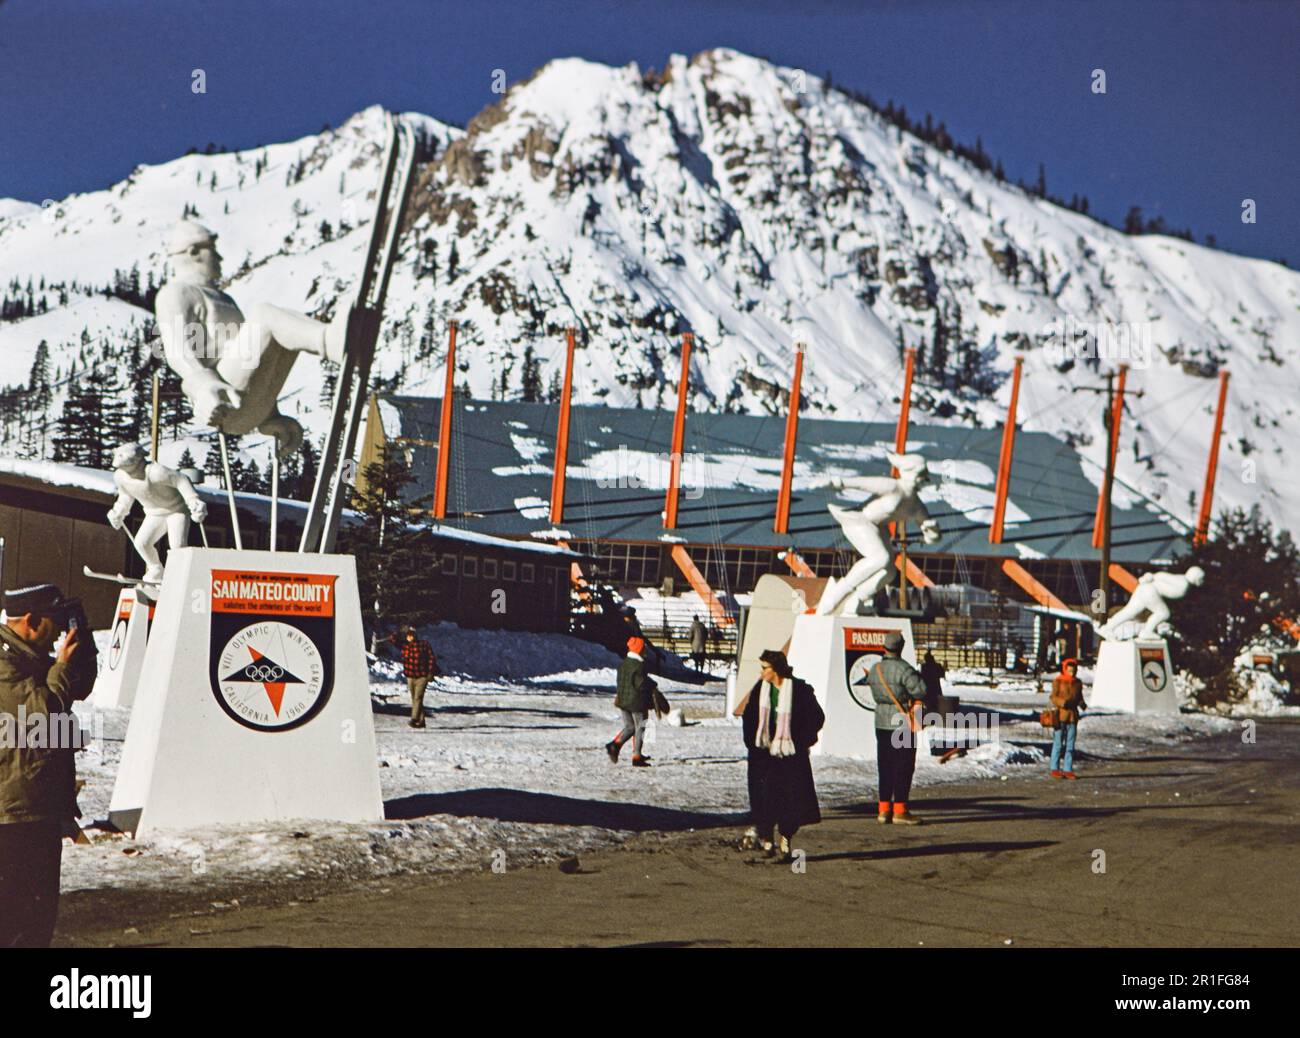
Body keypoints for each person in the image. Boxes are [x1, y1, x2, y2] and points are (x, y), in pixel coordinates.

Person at [0, 584, 96, 947]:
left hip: (37, 807)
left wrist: (82, 646)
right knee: (16, 920)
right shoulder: (5, 664)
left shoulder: (30, 656)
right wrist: (60, 668)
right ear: (31, 620)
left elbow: (79, 687)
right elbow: (44, 716)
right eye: (54, 621)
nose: (57, 630)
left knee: (38, 918)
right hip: (12, 815)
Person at [737, 649, 824, 861]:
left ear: (776, 669)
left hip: (790, 756)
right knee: (763, 798)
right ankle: (767, 841)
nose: (762, 672)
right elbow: (749, 716)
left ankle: (786, 839)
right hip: (763, 755)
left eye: (765, 668)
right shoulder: (761, 689)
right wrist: (753, 742)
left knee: (790, 799)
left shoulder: (800, 690)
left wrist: (801, 741)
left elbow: (816, 717)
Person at [866, 631, 928, 825]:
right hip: (902, 723)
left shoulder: (875, 669)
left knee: (884, 766)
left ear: (884, 647)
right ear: (900, 647)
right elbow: (922, 690)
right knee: (903, 766)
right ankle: (900, 810)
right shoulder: (905, 669)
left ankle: (883, 809)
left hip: (880, 722)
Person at [606, 636, 654, 767]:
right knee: (640, 727)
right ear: (639, 650)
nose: (645, 651)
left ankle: (614, 745)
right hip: (636, 702)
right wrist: (651, 686)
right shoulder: (639, 666)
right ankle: (637, 756)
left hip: (623, 701)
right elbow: (641, 685)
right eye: (644, 648)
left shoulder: (623, 664)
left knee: (630, 727)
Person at [388, 627, 438, 729]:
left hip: (422, 676)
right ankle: (421, 721)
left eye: (411, 635)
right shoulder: (405, 646)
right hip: (410, 676)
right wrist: (398, 632)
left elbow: (431, 658)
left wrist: (430, 672)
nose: (409, 637)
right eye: (408, 636)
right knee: (415, 699)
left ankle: (414, 718)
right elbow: (393, 641)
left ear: (415, 636)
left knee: (417, 698)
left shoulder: (423, 644)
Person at [1048, 658, 1086, 779]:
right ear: (1065, 669)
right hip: (1060, 716)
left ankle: (1068, 769)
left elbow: (1079, 696)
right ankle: (1055, 768)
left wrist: (1082, 704)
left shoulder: (1078, 683)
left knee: (1070, 745)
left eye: (1073, 670)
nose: (1072, 672)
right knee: (1058, 744)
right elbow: (1053, 697)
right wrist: (1063, 703)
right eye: (1069, 670)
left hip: (1073, 717)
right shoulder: (1058, 681)